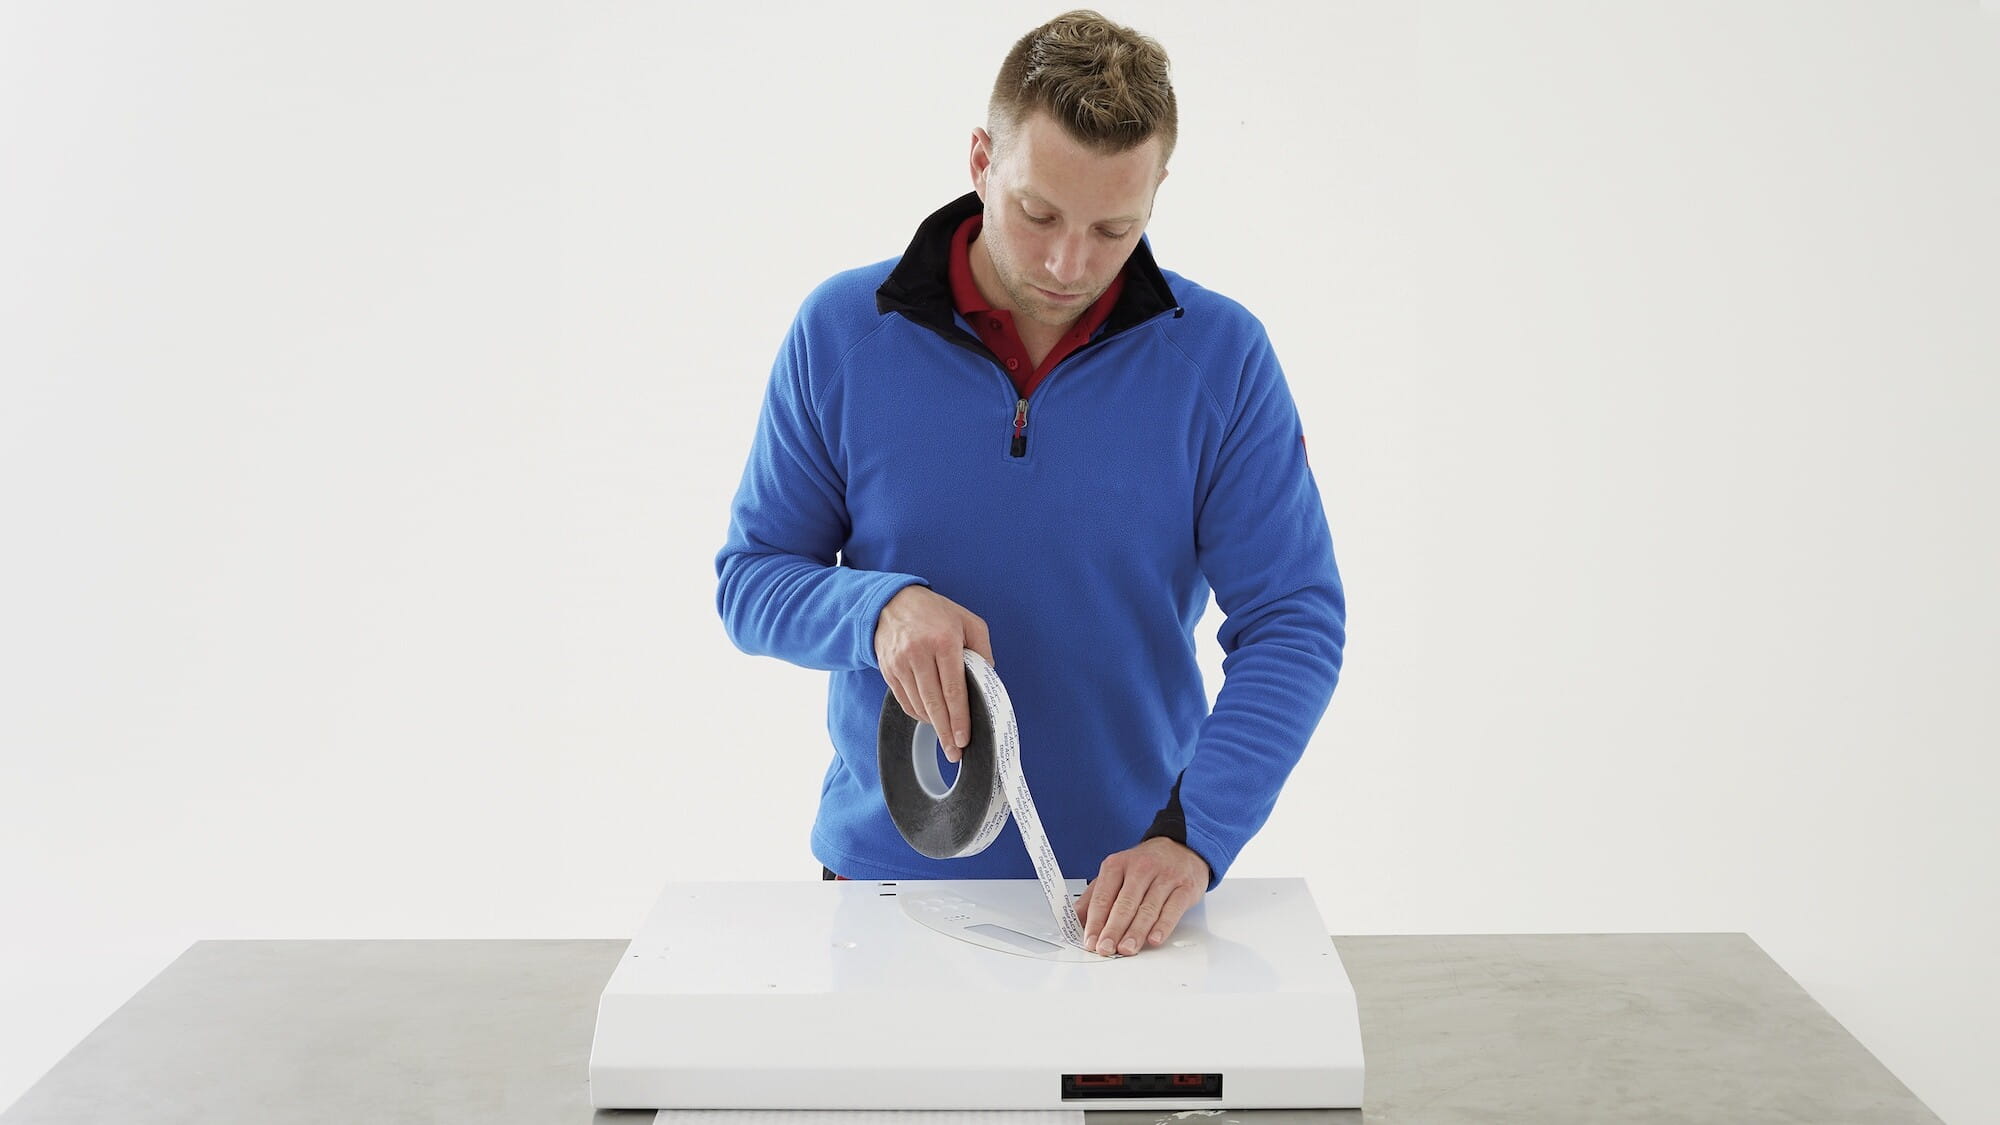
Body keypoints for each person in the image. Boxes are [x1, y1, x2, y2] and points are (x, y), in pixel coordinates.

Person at [714, 9, 1344, 958]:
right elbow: (752, 578)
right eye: (1038, 213)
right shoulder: (842, 332)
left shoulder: (1222, 359)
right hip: (880, 894)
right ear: (981, 160)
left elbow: (1294, 619)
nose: (1067, 263)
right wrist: (878, 610)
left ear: (1157, 193)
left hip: (1127, 909)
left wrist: (1194, 837)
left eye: (1114, 229)